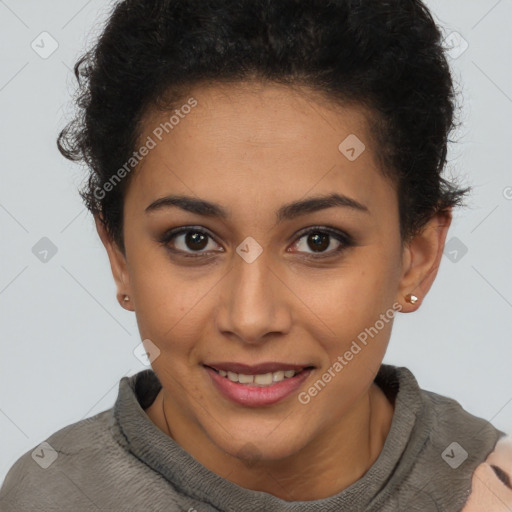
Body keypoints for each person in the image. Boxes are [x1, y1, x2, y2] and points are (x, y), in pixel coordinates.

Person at [1, 0, 510, 510]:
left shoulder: (492, 484)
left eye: (319, 241)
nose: (250, 318)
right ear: (119, 255)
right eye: (193, 240)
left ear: (416, 257)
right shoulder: (50, 496)